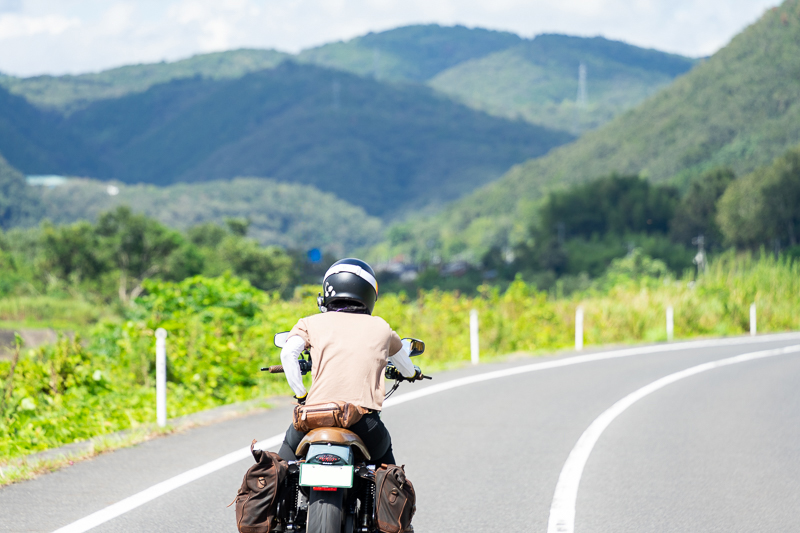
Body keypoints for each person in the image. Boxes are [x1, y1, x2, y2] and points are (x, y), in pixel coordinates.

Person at [277, 258, 422, 465]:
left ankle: (274, 495)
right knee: (387, 470)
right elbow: (405, 366)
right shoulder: (381, 327)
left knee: (281, 467)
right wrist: (413, 373)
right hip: (363, 421)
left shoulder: (310, 323)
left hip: (314, 416)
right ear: (370, 293)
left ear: (328, 292)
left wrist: (302, 396)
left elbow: (287, 354)